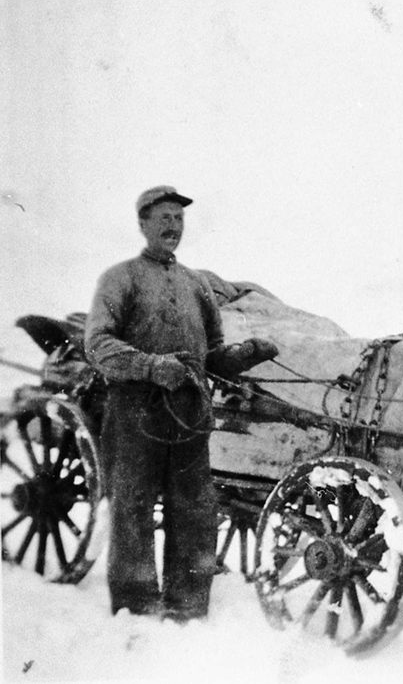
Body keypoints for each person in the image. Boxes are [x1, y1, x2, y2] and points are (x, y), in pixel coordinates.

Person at [84, 186, 278, 621]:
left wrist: (248, 354)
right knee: (132, 509)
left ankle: (189, 605)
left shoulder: (197, 286)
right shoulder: (120, 278)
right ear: (143, 223)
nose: (173, 226)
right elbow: (97, 344)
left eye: (179, 218)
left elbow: (213, 358)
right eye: (164, 218)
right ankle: (136, 607)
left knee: (195, 509)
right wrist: (152, 367)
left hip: (190, 415)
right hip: (135, 414)